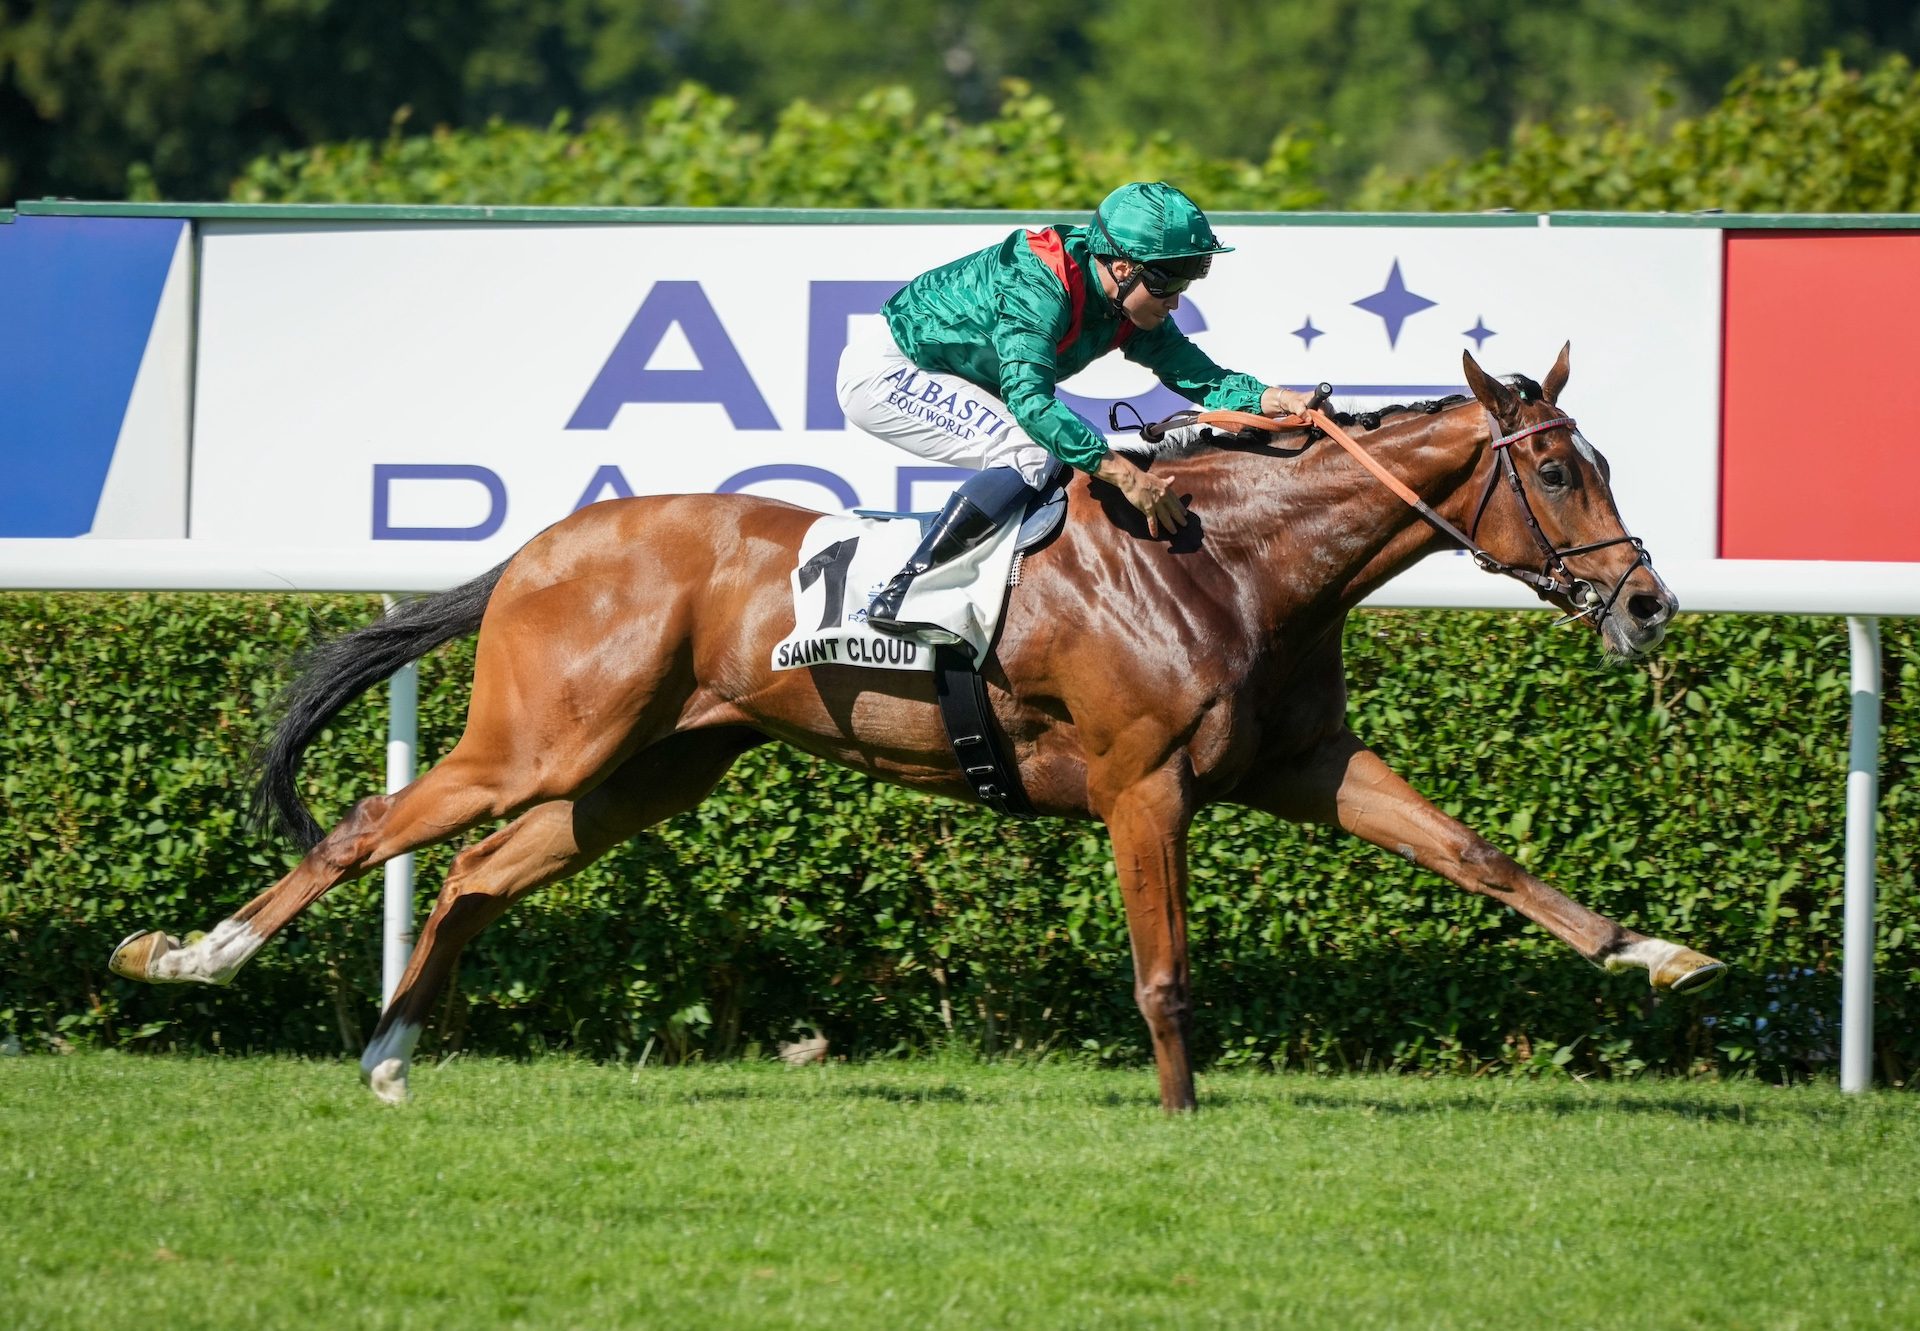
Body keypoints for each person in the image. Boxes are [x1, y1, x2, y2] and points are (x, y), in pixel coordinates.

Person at [836, 180, 1313, 643]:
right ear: (1122, 267)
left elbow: (1202, 377)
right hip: (889, 370)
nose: (1175, 301)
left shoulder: (1125, 302)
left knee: (1071, 450)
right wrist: (1128, 477)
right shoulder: (1039, 284)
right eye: (1167, 283)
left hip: (948, 372)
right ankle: (907, 592)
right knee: (1033, 449)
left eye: (1186, 282)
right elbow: (1030, 402)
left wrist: (1278, 400)